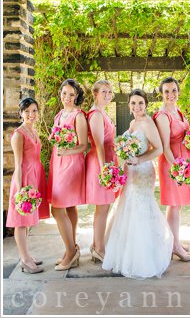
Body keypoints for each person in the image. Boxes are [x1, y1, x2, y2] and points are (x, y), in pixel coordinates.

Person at [102, 89, 173, 279]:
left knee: (141, 208)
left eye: (140, 103)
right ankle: (128, 255)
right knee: (128, 208)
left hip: (142, 171)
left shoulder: (148, 123)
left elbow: (158, 149)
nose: (137, 107)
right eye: (133, 103)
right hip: (130, 171)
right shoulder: (133, 123)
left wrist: (139, 160)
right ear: (129, 105)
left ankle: (145, 259)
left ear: (146, 104)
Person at [153, 77, 190, 262]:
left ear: (178, 92)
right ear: (162, 94)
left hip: (183, 161)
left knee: (177, 205)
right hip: (171, 163)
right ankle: (174, 246)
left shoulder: (179, 112)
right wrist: (178, 169)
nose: (170, 94)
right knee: (174, 204)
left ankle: (174, 240)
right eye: (166, 91)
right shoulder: (163, 116)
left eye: (173, 90)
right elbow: (165, 147)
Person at [6, 97, 50, 274]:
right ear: (21, 113)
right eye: (27, 111)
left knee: (28, 220)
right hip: (24, 180)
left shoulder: (33, 130)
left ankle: (27, 255)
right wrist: (21, 190)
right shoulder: (19, 134)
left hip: (35, 177)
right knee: (21, 221)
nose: (31, 114)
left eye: (34, 111)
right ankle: (24, 259)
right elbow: (18, 164)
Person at [49, 79, 88, 271]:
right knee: (70, 207)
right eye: (65, 93)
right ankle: (70, 249)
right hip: (58, 163)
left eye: (72, 94)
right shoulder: (59, 114)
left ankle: (71, 252)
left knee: (56, 209)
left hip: (71, 165)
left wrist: (66, 151)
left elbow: (83, 145)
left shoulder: (78, 116)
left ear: (77, 96)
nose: (67, 98)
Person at [84, 80, 117, 263]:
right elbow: (98, 144)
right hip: (100, 162)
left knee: (102, 207)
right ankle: (99, 248)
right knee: (102, 208)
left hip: (106, 160)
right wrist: (105, 169)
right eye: (103, 91)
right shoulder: (96, 114)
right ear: (95, 94)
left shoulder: (103, 112)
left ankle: (95, 244)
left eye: (109, 91)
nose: (107, 94)